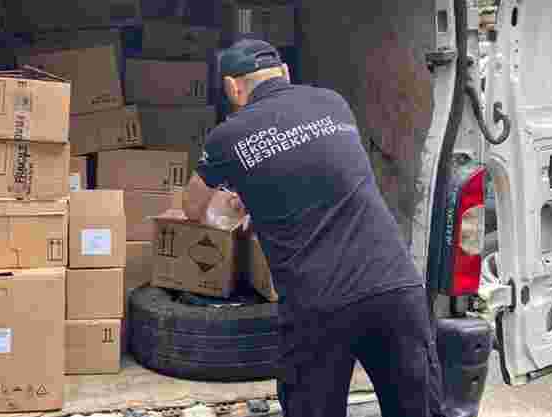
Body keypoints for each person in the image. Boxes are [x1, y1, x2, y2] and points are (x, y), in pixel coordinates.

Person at [183, 39, 444, 417]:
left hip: (319, 305)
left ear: (232, 88)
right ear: (285, 73)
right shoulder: (333, 103)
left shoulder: (228, 136)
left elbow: (193, 209)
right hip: (394, 288)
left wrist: (242, 199)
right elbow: (321, 168)